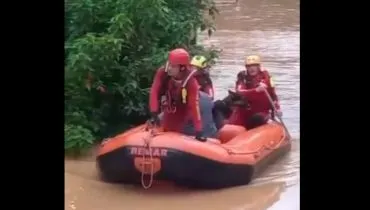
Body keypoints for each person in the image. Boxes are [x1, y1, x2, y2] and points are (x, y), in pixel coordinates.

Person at [149, 48, 217, 141]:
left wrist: (198, 130)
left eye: (173, 66)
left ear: (182, 68)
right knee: (165, 122)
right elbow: (154, 91)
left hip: (184, 111)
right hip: (169, 108)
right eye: (169, 64)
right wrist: (154, 112)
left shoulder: (192, 83)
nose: (169, 68)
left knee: (180, 127)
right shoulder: (162, 73)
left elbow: (194, 106)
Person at [228, 55, 282, 129]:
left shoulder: (266, 77)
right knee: (232, 124)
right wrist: (255, 90)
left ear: (259, 66)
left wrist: (278, 108)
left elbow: (273, 95)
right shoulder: (242, 77)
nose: (251, 68)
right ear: (246, 67)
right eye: (249, 66)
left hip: (261, 111)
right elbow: (239, 91)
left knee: (259, 117)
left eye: (254, 65)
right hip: (246, 110)